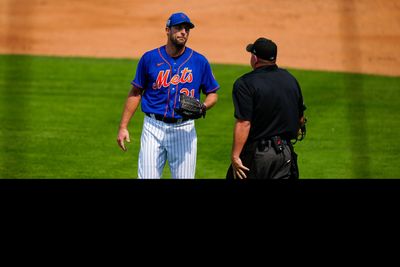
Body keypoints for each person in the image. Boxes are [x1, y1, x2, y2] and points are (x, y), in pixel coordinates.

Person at [117, 12, 220, 179]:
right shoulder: (149, 58)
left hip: (183, 129)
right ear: (167, 30)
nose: (183, 32)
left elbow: (212, 94)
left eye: (187, 29)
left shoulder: (199, 61)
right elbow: (136, 92)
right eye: (179, 28)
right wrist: (123, 127)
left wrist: (203, 106)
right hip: (152, 127)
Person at [226, 37, 306, 179]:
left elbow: (244, 123)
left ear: (255, 58)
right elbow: (300, 118)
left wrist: (235, 156)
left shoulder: (245, 83)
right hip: (285, 153)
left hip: (259, 155)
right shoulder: (290, 79)